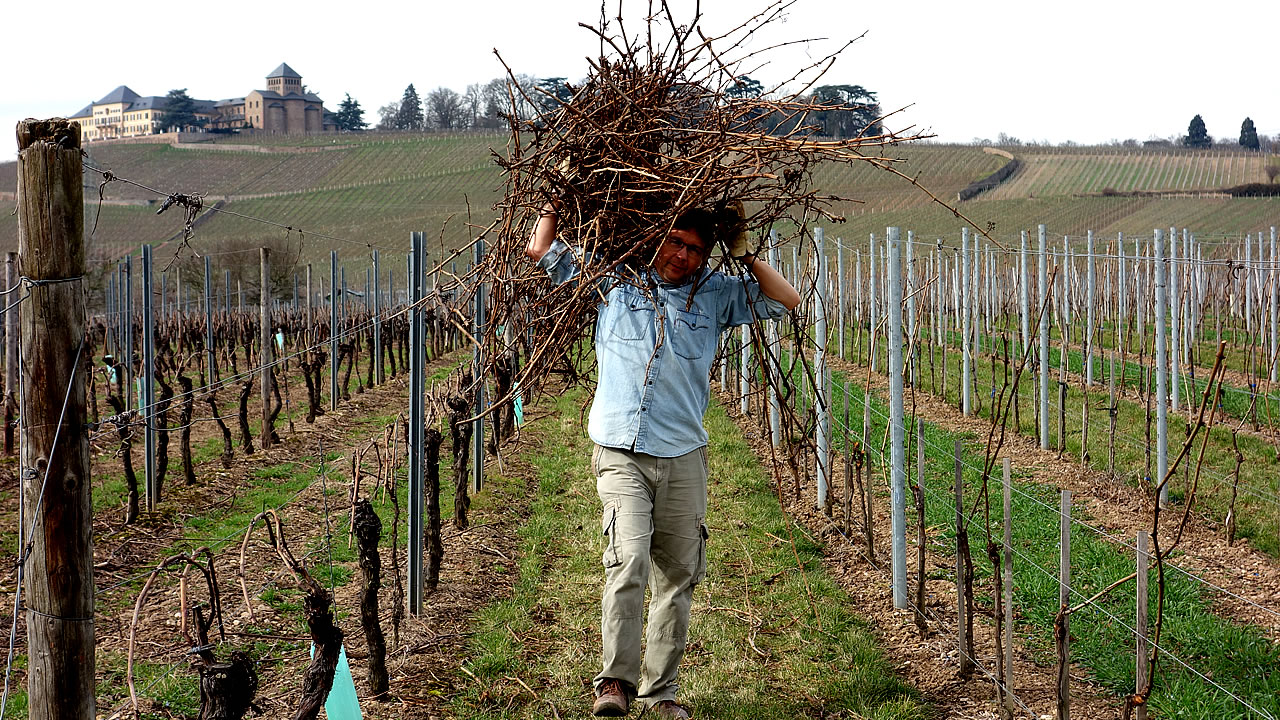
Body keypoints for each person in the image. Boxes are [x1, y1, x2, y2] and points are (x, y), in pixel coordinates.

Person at [526, 202, 800, 719]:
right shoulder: (615, 279)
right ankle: (615, 683)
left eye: (696, 249)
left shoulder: (714, 296)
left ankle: (661, 693)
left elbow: (786, 301)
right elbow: (542, 250)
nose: (683, 256)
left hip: (683, 456)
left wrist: (744, 254)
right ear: (657, 237)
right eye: (675, 241)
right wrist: (557, 200)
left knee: (679, 574)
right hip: (621, 451)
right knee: (628, 562)